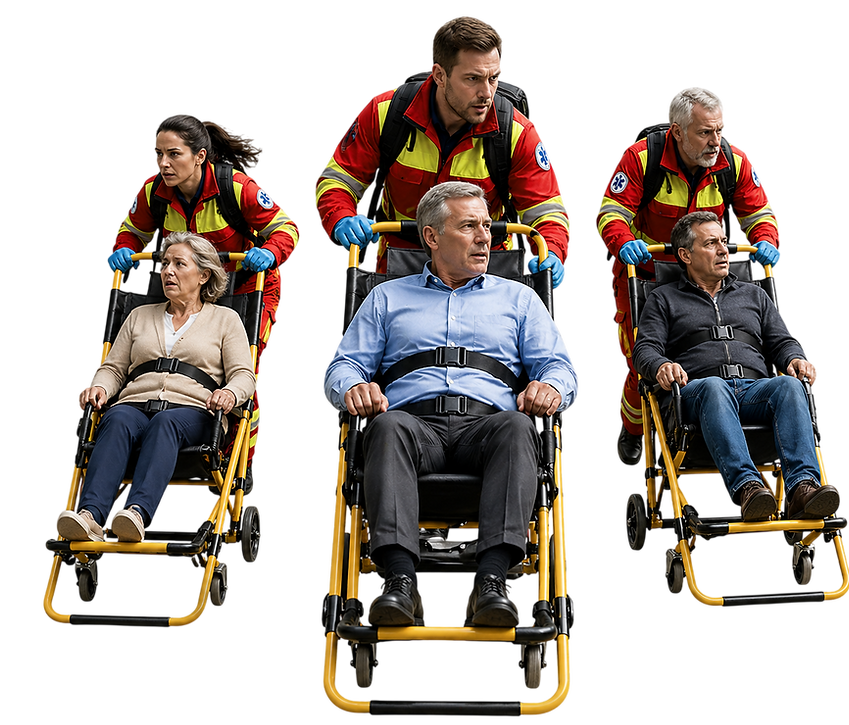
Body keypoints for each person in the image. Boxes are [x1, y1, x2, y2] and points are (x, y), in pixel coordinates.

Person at [320, 181, 581, 627]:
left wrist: (552, 387)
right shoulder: (386, 296)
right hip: (414, 427)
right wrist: (351, 388)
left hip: (489, 426)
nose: (486, 237)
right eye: (469, 226)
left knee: (520, 427)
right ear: (432, 236)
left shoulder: (518, 297)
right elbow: (338, 366)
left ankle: (494, 580)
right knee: (386, 426)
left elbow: (563, 367)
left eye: (486, 226)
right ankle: (399, 581)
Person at [311, 12, 573, 289]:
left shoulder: (517, 133)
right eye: (472, 79)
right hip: (400, 262)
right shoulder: (384, 114)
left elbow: (548, 211)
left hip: (485, 264)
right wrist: (341, 218)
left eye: (494, 78)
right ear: (439, 75)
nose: (487, 93)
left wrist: (554, 253)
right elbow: (335, 180)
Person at [595, 85, 783, 465]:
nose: (716, 142)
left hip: (711, 273)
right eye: (705, 132)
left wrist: (765, 240)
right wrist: (623, 242)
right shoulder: (640, 157)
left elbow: (762, 213)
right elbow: (609, 212)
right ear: (677, 131)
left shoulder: (736, 162)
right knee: (640, 360)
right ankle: (634, 430)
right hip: (650, 276)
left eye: (721, 132)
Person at [105, 110, 301, 464]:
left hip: (247, 287)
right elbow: (129, 231)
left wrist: (270, 251)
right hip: (185, 288)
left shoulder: (236, 186)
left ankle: (239, 464)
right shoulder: (153, 191)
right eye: (157, 154)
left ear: (200, 156)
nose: (163, 163)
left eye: (173, 154)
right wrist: (122, 250)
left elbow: (289, 229)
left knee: (243, 375)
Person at [631, 212, 840, 521]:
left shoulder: (753, 294)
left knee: (789, 385)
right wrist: (661, 365)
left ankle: (803, 490)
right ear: (685, 255)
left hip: (753, 390)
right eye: (711, 243)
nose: (724, 250)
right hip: (698, 392)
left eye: (724, 242)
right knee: (714, 387)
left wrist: (796, 359)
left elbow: (781, 341)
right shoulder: (664, 298)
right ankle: (748, 489)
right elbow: (645, 350)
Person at [55, 232, 256, 543]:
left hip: (194, 411)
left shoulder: (225, 320)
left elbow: (244, 374)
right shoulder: (138, 316)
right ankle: (90, 516)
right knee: (117, 418)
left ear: (203, 275)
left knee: (165, 422)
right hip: (136, 403)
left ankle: (135, 513)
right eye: (164, 264)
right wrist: (99, 388)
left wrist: (229, 393)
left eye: (179, 264)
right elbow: (113, 368)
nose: (168, 271)